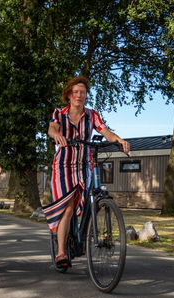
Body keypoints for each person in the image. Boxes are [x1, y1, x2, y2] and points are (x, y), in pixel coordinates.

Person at [42, 76, 130, 268]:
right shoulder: (60, 113)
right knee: (68, 208)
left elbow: (105, 131)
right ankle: (62, 252)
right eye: (75, 92)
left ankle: (88, 232)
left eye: (82, 92)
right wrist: (57, 135)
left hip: (84, 164)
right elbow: (52, 128)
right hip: (63, 167)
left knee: (91, 196)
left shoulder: (92, 115)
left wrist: (119, 140)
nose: (79, 95)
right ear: (69, 95)